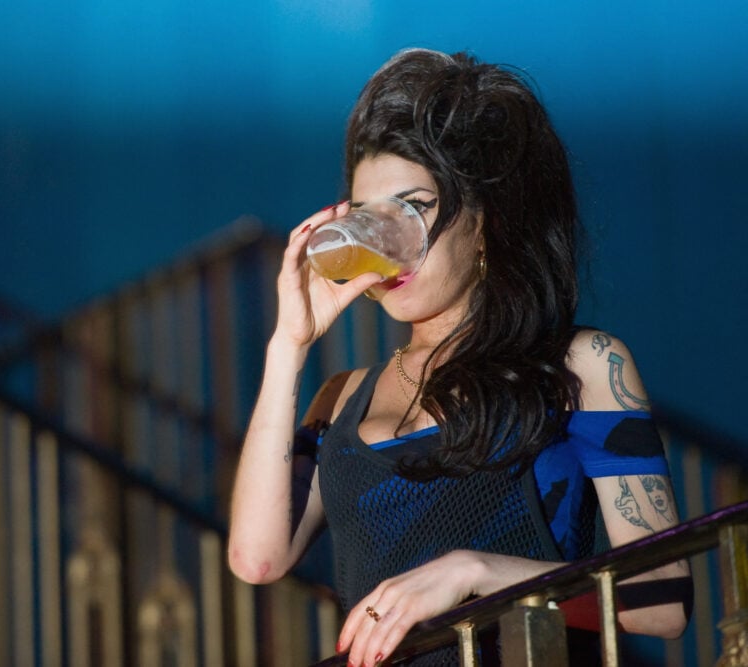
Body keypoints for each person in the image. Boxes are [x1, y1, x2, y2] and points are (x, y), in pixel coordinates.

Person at [227, 48, 691, 666]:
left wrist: (473, 573)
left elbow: (658, 606)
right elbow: (257, 559)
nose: (387, 240)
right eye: (368, 218)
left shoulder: (580, 366)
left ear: (486, 222)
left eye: (413, 208)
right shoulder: (340, 397)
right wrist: (288, 346)